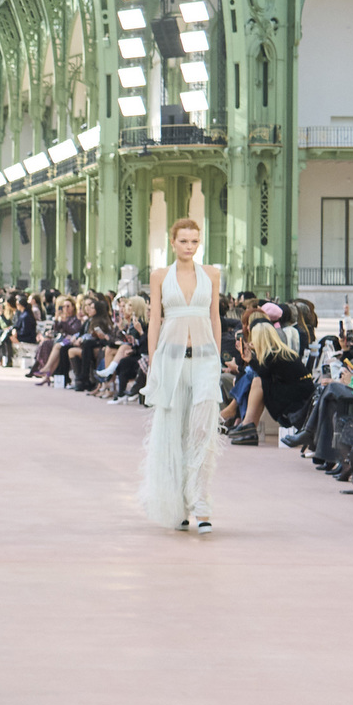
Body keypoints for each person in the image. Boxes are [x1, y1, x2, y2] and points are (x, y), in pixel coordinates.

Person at [139, 215, 224, 532]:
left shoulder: (212, 275)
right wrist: (153, 364)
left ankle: (201, 506)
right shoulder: (160, 276)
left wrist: (217, 357)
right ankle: (177, 507)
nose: (189, 246)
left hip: (204, 361)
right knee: (171, 435)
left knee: (202, 433)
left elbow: (215, 317)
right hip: (171, 361)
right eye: (183, 241)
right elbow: (155, 322)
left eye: (194, 241)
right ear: (172, 242)